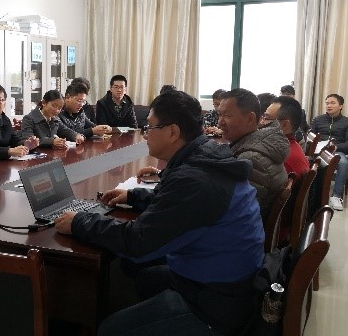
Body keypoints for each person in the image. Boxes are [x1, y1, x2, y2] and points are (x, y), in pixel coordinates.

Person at [55, 90, 264, 335]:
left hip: (216, 302)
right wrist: (134, 196)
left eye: (150, 127)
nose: (146, 134)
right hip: (224, 276)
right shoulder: (206, 154)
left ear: (173, 132)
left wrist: (80, 222)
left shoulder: (195, 179)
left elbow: (137, 242)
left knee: (110, 329)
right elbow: (181, 205)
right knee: (142, 277)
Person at [218, 88, 290, 222]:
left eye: (227, 116)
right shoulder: (259, 144)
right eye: (219, 115)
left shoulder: (251, 160)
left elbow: (237, 213)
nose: (220, 122)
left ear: (250, 119)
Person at [310, 93, 348, 211]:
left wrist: (336, 147)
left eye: (332, 103)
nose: (329, 105)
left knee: (344, 163)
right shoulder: (318, 119)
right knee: (308, 160)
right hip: (319, 151)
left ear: (340, 106)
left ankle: (336, 196)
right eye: (327, 103)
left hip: (337, 151)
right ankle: (310, 193)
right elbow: (310, 137)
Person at [264, 96, 310, 182]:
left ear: (285, 124)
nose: (261, 122)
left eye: (266, 118)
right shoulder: (290, 146)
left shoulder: (281, 159)